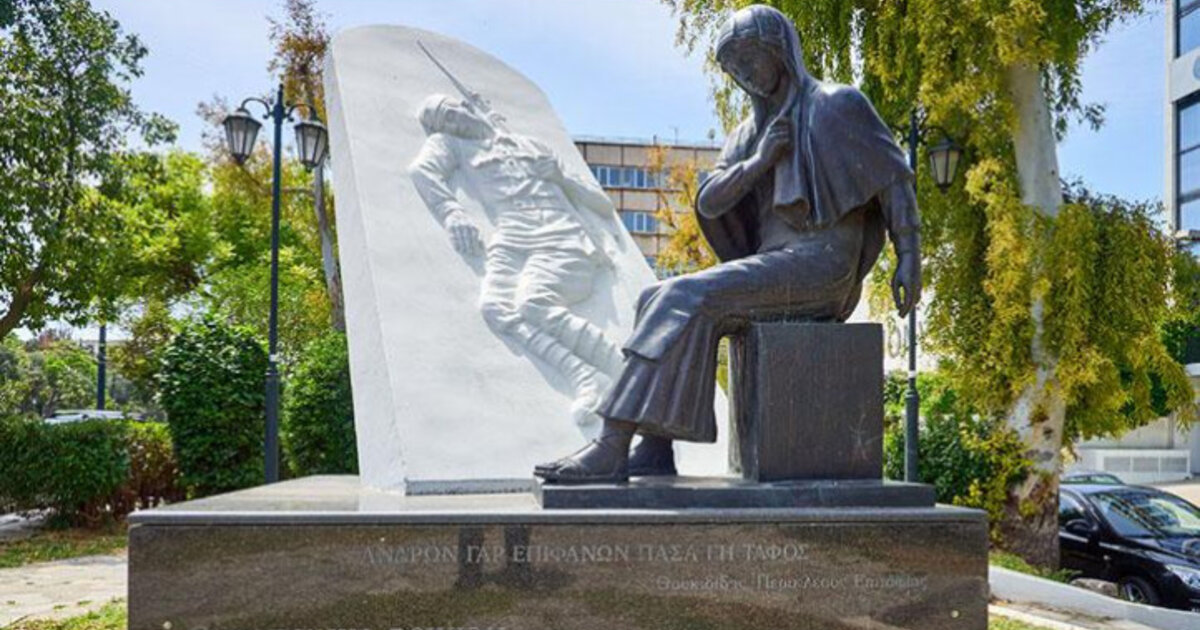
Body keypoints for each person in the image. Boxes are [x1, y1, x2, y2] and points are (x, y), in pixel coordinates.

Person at [535, 4, 922, 484]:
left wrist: (909, 256)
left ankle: (611, 444)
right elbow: (710, 199)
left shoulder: (836, 105)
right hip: (776, 261)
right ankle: (654, 448)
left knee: (684, 295)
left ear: (779, 50)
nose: (744, 74)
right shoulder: (749, 134)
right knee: (653, 296)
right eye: (734, 67)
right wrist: (760, 161)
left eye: (749, 58)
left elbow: (893, 180)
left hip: (823, 264)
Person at [409, 94, 625, 431]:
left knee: (534, 303)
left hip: (561, 235)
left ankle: (623, 370)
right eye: (443, 121)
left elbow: (602, 205)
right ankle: (583, 376)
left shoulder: (531, 145)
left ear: (466, 106)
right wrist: (452, 213)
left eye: (452, 111)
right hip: (511, 240)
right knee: (494, 307)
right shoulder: (453, 146)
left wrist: (561, 177)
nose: (453, 120)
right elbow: (421, 170)